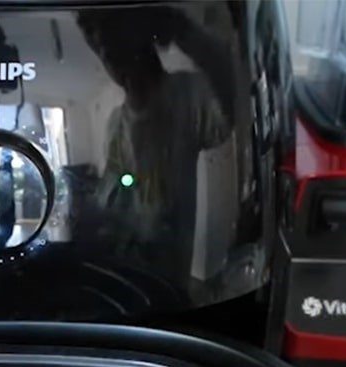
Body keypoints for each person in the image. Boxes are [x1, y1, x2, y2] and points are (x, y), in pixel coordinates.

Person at [77, 7, 234, 283]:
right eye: (103, 53)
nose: (111, 62)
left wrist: (183, 30)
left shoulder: (189, 95)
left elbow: (233, 104)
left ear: (140, 40)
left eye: (115, 44)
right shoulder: (115, 122)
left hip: (167, 279)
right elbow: (113, 186)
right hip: (118, 271)